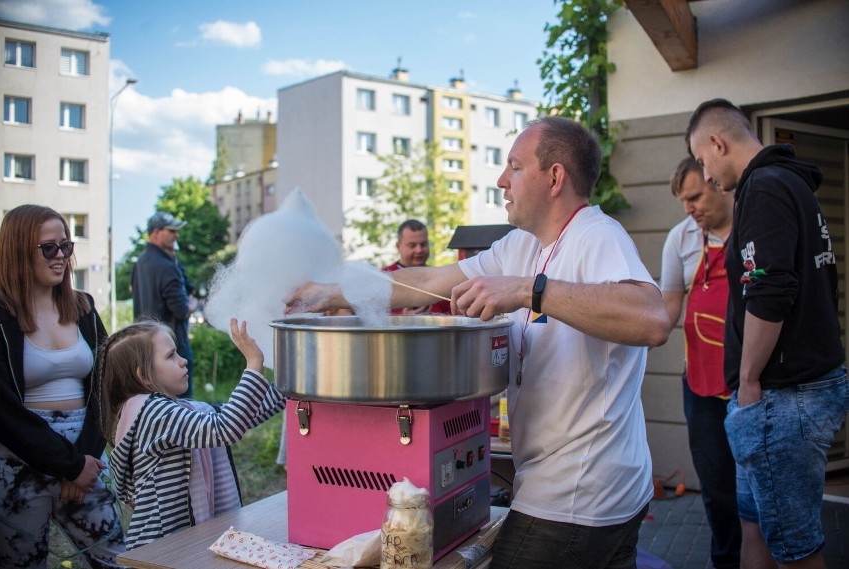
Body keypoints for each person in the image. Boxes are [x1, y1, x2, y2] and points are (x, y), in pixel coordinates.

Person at [287, 116, 670, 569]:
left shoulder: (596, 236)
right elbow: (428, 281)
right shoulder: (522, 246)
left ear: (554, 177)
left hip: (578, 498)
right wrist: (329, 292)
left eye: (514, 166)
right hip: (579, 489)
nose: (500, 180)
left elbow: (651, 318)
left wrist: (529, 290)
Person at [686, 98, 848, 569]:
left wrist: (751, 380)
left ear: (718, 143)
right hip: (778, 397)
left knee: (796, 549)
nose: (707, 176)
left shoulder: (765, 188)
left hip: (781, 397)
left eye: (702, 161)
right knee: (753, 526)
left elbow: (770, 292)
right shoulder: (792, 187)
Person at [0, 204, 126, 569]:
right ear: (18, 250)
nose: (60, 257)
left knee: (117, 559)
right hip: (17, 463)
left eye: (65, 246)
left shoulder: (83, 307)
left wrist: (81, 462)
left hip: (85, 458)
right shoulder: (0, 315)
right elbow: (3, 410)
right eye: (48, 248)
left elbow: (106, 384)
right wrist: (65, 464)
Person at [100, 318, 286, 550]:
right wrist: (254, 363)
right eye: (171, 356)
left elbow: (243, 416)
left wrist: (290, 383)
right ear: (144, 376)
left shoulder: (171, 411)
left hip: (178, 543)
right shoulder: (151, 412)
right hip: (161, 549)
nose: (183, 360)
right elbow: (226, 427)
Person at [660, 157, 741, 569]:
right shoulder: (681, 238)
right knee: (716, 487)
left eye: (694, 197)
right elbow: (668, 309)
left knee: (760, 488)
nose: (690, 209)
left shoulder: (754, 224)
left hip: (754, 383)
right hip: (701, 383)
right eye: (683, 201)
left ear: (718, 184)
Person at [131, 211, 198, 397]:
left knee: (157, 409)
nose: (176, 235)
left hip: (146, 350)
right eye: (171, 230)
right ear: (156, 232)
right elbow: (181, 310)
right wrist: (192, 304)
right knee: (183, 411)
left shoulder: (140, 262)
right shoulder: (167, 266)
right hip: (172, 348)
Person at [382, 219, 451, 315]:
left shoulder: (441, 278)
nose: (419, 250)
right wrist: (401, 318)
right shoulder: (384, 278)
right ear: (398, 246)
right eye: (412, 245)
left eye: (423, 244)